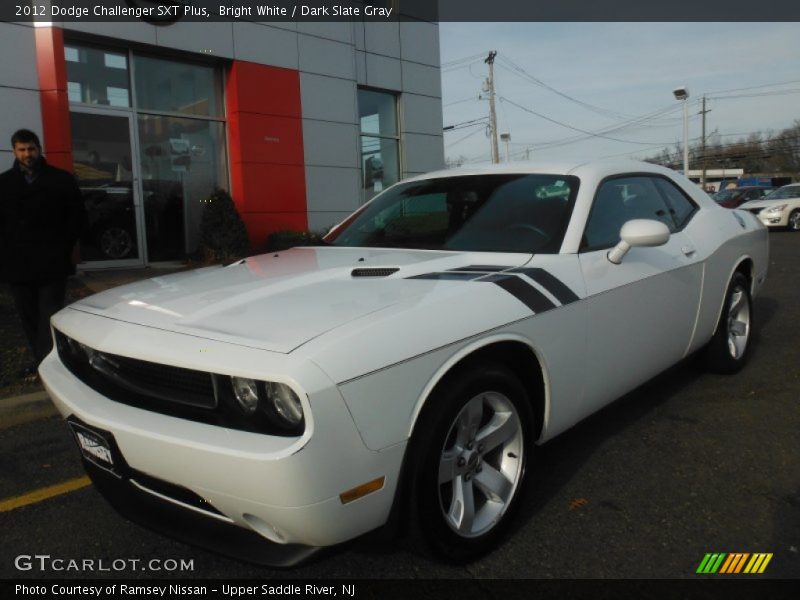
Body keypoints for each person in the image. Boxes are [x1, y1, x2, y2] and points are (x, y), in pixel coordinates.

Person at [0, 129, 87, 370]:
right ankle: (41, 361)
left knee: (50, 314)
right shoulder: (4, 183)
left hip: (52, 262)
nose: (27, 154)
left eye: (31, 149)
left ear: (39, 148)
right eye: (22, 149)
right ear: (14, 151)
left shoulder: (61, 179)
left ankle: (48, 362)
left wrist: (63, 247)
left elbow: (77, 217)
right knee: (28, 316)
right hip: (17, 265)